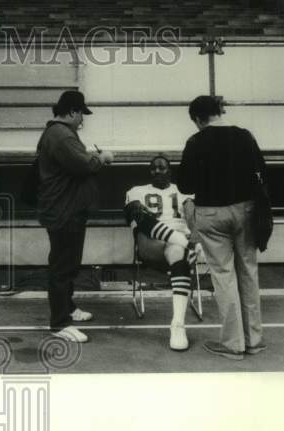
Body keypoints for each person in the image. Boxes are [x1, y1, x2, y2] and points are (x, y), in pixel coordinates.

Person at [177, 95, 267, 361]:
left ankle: (233, 344)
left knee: (223, 276)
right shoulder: (245, 136)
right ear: (220, 111)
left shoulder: (195, 142)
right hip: (246, 210)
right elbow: (261, 172)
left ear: (197, 119)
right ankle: (254, 340)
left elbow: (185, 186)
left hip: (212, 213)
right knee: (248, 272)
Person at [36, 90, 114, 343]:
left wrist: (90, 158)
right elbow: (85, 165)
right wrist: (103, 158)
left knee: (68, 264)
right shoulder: (61, 135)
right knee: (62, 266)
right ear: (72, 112)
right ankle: (60, 323)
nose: (82, 120)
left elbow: (76, 162)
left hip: (67, 209)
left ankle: (67, 308)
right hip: (64, 211)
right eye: (81, 114)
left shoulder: (61, 134)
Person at [124, 154, 196, 351]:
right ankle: (183, 242)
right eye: (153, 168)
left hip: (176, 248)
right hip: (150, 244)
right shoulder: (137, 191)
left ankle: (178, 325)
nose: (157, 171)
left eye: (162, 168)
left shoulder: (183, 192)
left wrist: (195, 234)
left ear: (169, 171)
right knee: (138, 213)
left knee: (178, 251)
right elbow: (135, 216)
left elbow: (191, 215)